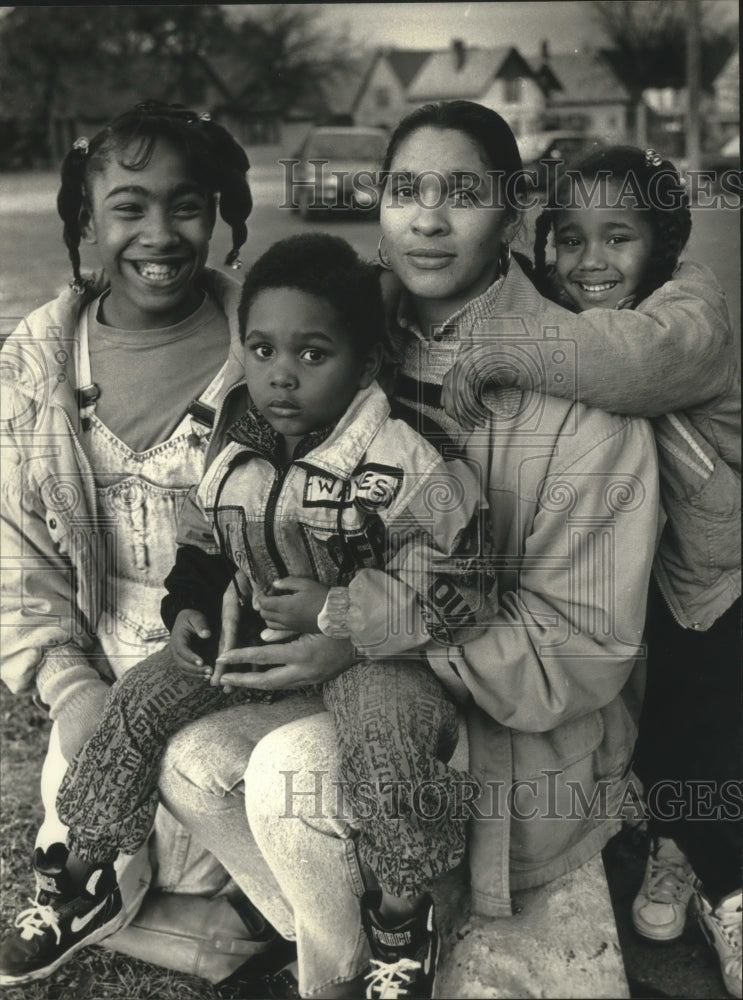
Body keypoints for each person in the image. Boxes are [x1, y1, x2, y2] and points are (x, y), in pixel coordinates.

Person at [150, 101, 661, 999]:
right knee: (193, 759)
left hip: (509, 738)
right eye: (405, 190)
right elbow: (240, 491)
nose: (427, 217)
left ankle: (405, 932)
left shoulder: (582, 402)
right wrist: (228, 588)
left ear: (512, 214)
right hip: (341, 688)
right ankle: (355, 954)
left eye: (461, 192)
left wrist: (363, 628)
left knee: (285, 775)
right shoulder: (330, 337)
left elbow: (577, 657)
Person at [35, 232, 494, 992]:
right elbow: (204, 537)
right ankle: (80, 878)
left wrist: (340, 612)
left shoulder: (402, 458)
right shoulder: (237, 437)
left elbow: (466, 577)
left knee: (385, 747)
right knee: (139, 703)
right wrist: (189, 607)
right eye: (262, 350)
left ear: (367, 362)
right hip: (258, 650)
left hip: (378, 662)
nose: (282, 377)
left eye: (313, 355)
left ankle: (401, 922)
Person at [447, 144, 741, 998]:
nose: (590, 260)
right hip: (632, 569)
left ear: (664, 243)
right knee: (638, 721)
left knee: (703, 729)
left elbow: (628, 360)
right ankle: (661, 838)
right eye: (567, 239)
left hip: (714, 572)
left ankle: (720, 879)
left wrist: (504, 354)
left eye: (617, 237)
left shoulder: (690, 312)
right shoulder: (562, 307)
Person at [0, 99, 281, 987]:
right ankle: (191, 925)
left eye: (186, 204)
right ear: (86, 221)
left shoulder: (275, 350)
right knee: (94, 845)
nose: (159, 233)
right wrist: (69, 684)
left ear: (220, 213)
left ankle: (238, 921)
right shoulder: (39, 360)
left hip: (231, 661)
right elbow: (14, 545)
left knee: (207, 856)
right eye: (127, 207)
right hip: (103, 656)